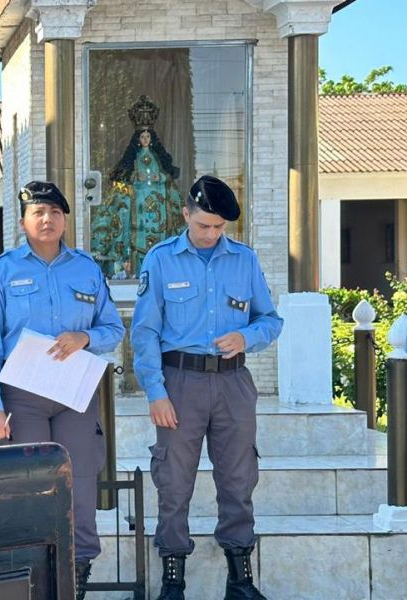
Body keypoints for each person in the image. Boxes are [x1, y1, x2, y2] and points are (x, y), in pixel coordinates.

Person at [0, 181, 125, 599]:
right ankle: (34, 580)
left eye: (55, 212)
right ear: (22, 222)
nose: (47, 220)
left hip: (74, 396)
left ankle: (77, 578)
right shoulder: (2, 271)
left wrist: (84, 338)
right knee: (31, 486)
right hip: (22, 396)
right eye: (38, 213)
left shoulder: (86, 268)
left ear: (65, 219)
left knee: (81, 484)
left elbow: (113, 327)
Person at [131, 175, 283, 600]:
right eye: (204, 226)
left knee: (238, 479)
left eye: (218, 228)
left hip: (233, 382)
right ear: (186, 214)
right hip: (179, 383)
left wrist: (247, 338)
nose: (211, 235)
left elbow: (270, 320)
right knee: (174, 481)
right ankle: (173, 582)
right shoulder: (160, 260)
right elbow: (144, 333)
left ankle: (240, 580)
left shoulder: (244, 260)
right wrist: (155, 392)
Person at [91, 96, 185, 278]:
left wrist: (159, 177)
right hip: (137, 205)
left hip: (158, 207)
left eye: (148, 136)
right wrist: (136, 177)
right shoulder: (133, 159)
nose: (145, 139)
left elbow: (166, 176)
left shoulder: (158, 159)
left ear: (152, 139)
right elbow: (125, 178)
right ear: (138, 139)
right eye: (142, 137)